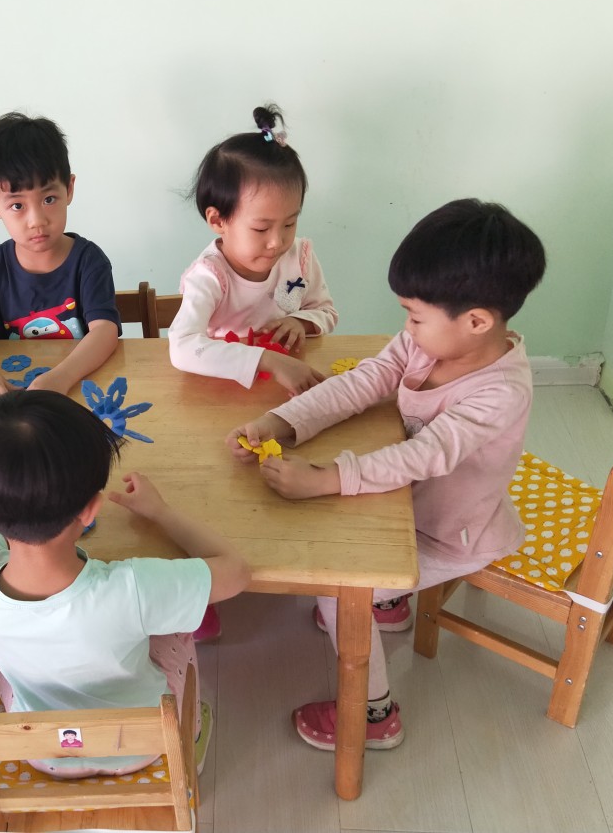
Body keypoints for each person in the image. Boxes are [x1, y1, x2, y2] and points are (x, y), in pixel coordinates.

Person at [226, 198, 546, 750]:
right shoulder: (427, 343)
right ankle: (389, 606)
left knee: (336, 588)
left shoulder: (501, 391)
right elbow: (366, 380)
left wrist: (327, 477)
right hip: (412, 507)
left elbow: (422, 457)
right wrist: (283, 421)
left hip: (451, 533)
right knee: (344, 543)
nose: (407, 327)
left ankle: (374, 714)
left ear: (476, 322)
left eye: (415, 316)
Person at [0, 390, 250, 777]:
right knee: (176, 628)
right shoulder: (133, 589)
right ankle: (191, 734)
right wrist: (161, 512)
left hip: (44, 752)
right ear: (91, 509)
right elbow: (236, 572)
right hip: (140, 746)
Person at [0, 112, 121, 411]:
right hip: (14, 398)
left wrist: (61, 378)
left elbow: (105, 331)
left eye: (49, 199)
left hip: (78, 394)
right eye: (17, 205)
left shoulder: (89, 261)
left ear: (69, 189)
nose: (37, 220)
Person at [169, 104, 335, 394]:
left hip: (282, 385)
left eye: (289, 223)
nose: (277, 242)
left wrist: (301, 321)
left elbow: (325, 311)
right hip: (222, 390)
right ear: (218, 220)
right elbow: (182, 347)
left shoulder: (299, 257)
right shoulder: (210, 276)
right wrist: (266, 360)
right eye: (261, 229)